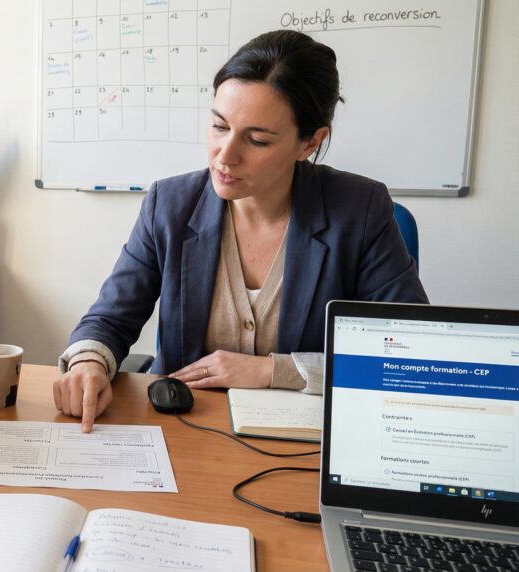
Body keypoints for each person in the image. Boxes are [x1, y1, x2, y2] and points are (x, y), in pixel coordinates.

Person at [54, 30, 427, 432]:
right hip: (184, 429)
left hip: (304, 441)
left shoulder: (359, 211)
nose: (225, 156)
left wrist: (273, 371)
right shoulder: (170, 204)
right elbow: (109, 319)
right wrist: (89, 362)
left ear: (309, 143)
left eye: (257, 140)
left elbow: (408, 353)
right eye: (219, 126)